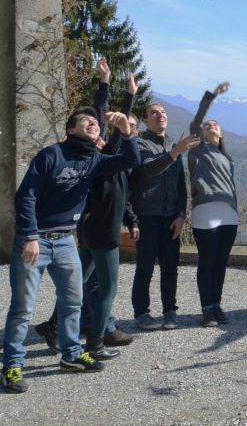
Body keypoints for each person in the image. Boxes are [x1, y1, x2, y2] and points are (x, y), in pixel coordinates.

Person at [2, 108, 140, 394]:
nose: (91, 123)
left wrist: (126, 132)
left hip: (65, 240)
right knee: (22, 308)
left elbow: (130, 159)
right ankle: (12, 366)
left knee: (72, 303)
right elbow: (25, 196)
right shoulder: (52, 155)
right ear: (71, 130)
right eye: (84, 121)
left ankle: (71, 356)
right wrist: (29, 236)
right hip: (35, 240)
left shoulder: (94, 159)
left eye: (94, 121)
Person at [33, 61, 138, 356]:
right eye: (98, 134)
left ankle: (52, 326)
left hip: (94, 227)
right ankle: (96, 342)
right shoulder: (99, 160)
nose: (102, 134)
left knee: (80, 282)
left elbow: (104, 121)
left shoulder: (105, 158)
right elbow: (106, 120)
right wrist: (121, 95)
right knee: (106, 289)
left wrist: (109, 83)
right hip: (101, 228)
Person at [129, 98, 199, 330]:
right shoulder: (140, 144)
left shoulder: (172, 143)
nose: (161, 116)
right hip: (147, 216)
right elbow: (148, 169)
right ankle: (141, 313)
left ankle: (170, 311)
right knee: (145, 268)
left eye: (163, 113)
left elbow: (181, 184)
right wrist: (176, 152)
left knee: (170, 268)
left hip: (171, 218)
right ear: (145, 120)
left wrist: (181, 215)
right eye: (154, 113)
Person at [188, 82, 238, 327]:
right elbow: (197, 119)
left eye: (215, 124)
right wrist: (212, 95)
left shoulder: (226, 157)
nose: (210, 125)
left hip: (229, 214)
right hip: (205, 210)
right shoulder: (197, 148)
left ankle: (216, 305)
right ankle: (206, 310)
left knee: (220, 263)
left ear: (221, 134)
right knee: (207, 261)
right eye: (208, 125)